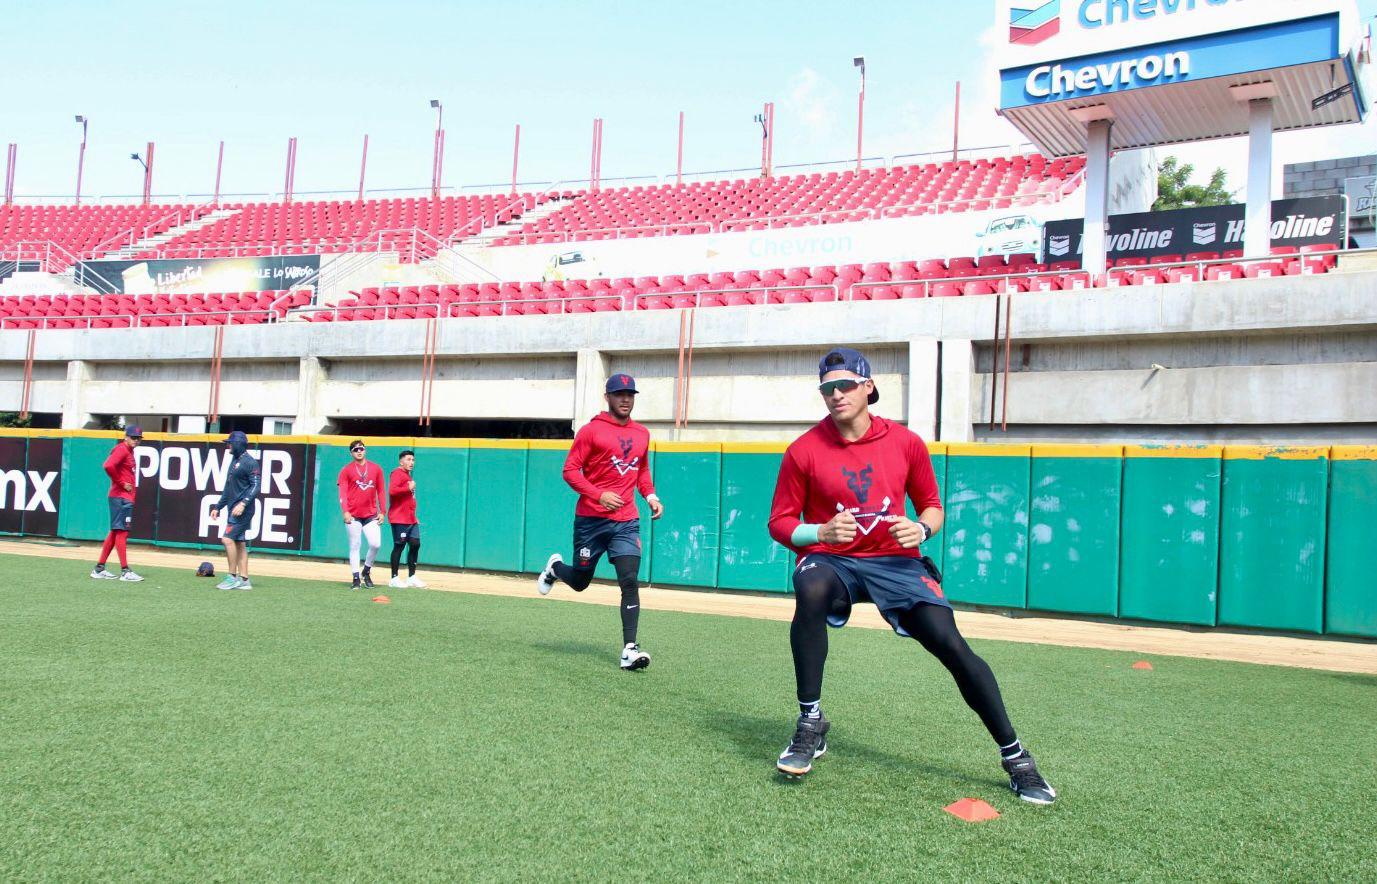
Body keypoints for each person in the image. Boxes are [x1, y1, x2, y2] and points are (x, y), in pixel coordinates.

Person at [766, 347, 1055, 804]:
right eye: (827, 388)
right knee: (810, 585)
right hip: (834, 559)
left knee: (949, 642)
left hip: (895, 561)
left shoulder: (906, 442)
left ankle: (1016, 757)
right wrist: (818, 531)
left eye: (844, 385)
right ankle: (809, 721)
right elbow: (779, 522)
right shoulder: (803, 450)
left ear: (868, 387)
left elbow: (933, 509)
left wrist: (920, 528)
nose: (835, 394)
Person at [536, 373, 664, 670]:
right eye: (619, 394)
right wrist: (598, 494)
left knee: (630, 581)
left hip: (625, 520)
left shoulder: (642, 434)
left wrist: (651, 496)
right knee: (581, 582)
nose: (625, 399)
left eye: (630, 394)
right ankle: (554, 568)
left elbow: (641, 471)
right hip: (591, 521)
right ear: (607, 397)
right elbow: (570, 471)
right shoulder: (591, 431)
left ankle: (629, 649)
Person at [90, 425, 144, 582]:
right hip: (120, 497)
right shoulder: (122, 449)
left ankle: (99, 568)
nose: (136, 440)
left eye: (138, 438)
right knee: (122, 532)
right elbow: (107, 465)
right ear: (125, 436)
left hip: (122, 497)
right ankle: (125, 571)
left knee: (115, 532)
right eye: (133, 437)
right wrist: (121, 483)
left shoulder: (128, 451)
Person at [209, 431, 260, 591]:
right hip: (233, 508)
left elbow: (256, 485)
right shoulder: (235, 460)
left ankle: (232, 577)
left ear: (238, 444)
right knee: (239, 543)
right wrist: (218, 506)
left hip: (242, 510)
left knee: (227, 539)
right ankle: (244, 580)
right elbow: (228, 488)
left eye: (230, 443)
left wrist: (243, 504)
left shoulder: (250, 462)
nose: (227, 445)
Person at [337, 439, 386, 589]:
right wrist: (345, 511)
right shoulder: (346, 470)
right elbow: (343, 493)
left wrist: (383, 511)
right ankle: (356, 578)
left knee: (375, 544)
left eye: (361, 449)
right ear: (351, 453)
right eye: (355, 449)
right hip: (353, 515)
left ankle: (366, 570)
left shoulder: (376, 468)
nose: (359, 451)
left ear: (365, 450)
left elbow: (381, 491)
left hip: (371, 514)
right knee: (355, 545)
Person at [388, 449, 425, 589]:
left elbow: (410, 500)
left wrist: (414, 516)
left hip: (410, 519)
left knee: (415, 544)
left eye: (413, 460)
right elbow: (392, 491)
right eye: (408, 459)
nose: (411, 462)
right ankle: (394, 578)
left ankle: (411, 577)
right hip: (399, 518)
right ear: (401, 461)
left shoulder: (407, 476)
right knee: (399, 546)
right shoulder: (397, 473)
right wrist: (408, 488)